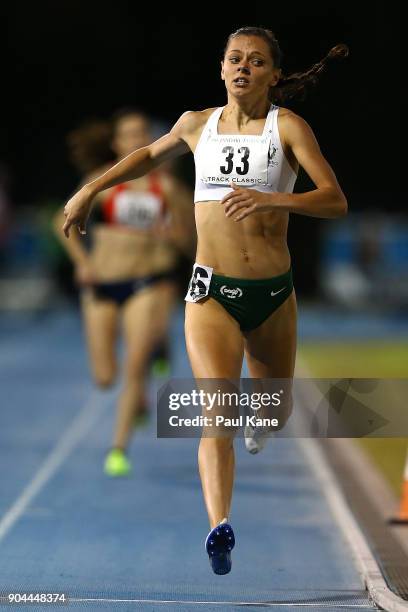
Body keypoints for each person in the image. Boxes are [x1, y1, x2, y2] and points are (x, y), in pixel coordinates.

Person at [62, 27, 348, 574]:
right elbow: (146, 156)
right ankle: (219, 524)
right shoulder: (197, 125)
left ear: (273, 76)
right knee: (216, 409)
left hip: (270, 294)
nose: (243, 67)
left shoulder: (287, 127)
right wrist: (88, 190)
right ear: (221, 69)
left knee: (270, 411)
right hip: (210, 290)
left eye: (257, 61)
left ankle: (259, 423)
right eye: (235, 59)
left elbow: (335, 200)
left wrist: (273, 200)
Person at [54, 108, 194, 477]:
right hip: (102, 284)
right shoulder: (101, 180)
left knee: (135, 366)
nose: (136, 140)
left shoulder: (166, 187)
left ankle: (118, 448)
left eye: (142, 133)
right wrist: (82, 262)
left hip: (147, 283)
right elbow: (61, 220)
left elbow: (194, 244)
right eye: (128, 135)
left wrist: (174, 236)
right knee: (105, 377)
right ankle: (155, 353)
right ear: (116, 143)